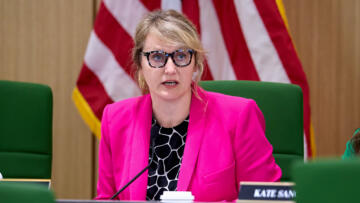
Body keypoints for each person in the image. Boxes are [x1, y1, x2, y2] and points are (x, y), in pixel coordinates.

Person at [96, 9, 281, 201]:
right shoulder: (115, 120)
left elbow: (268, 198)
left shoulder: (238, 116)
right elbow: (107, 198)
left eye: (181, 56)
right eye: (157, 57)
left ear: (195, 63)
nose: (170, 69)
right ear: (140, 64)